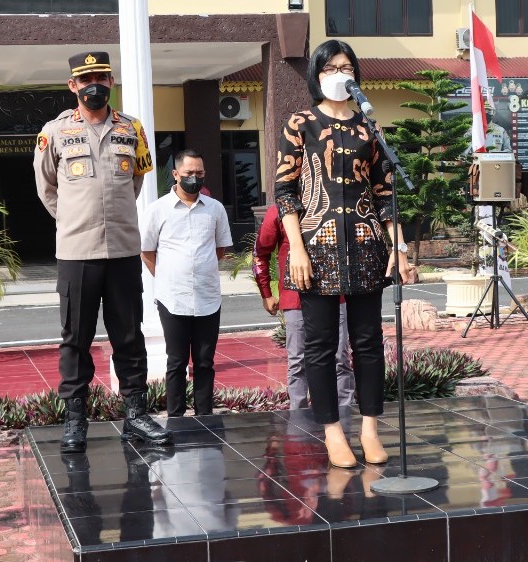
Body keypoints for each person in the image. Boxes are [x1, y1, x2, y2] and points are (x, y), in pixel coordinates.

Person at [274, 39, 417, 469]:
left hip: (365, 243)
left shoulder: (368, 126)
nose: (340, 74)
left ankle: (370, 430)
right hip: (316, 246)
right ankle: (333, 433)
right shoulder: (300, 123)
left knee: (368, 341)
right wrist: (296, 249)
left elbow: (384, 192)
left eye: (347, 67)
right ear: (317, 75)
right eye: (331, 68)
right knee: (320, 345)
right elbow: (284, 191)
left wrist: (399, 247)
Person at [33, 50, 170, 453]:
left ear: (111, 81)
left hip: (123, 249)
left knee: (129, 335)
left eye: (101, 78)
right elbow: (46, 188)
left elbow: (136, 182)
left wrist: (113, 217)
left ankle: (136, 415)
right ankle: (75, 420)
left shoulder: (132, 128)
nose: (94, 85)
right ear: (72, 85)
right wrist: (75, 219)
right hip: (77, 251)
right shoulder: (54, 132)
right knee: (75, 338)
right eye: (85, 79)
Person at [140, 149, 232, 417]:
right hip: (172, 298)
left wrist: (199, 269)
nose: (194, 177)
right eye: (189, 173)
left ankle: (204, 416)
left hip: (207, 298)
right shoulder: (157, 209)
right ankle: (176, 418)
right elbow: (147, 251)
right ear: (176, 174)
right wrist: (169, 276)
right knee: (176, 361)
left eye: (199, 173)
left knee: (205, 361)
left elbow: (219, 249)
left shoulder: (215, 209)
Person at [253, 204, 356, 410]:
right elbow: (260, 252)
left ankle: (345, 413)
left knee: (340, 359)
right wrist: (266, 292)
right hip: (296, 299)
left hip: (336, 295)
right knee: (298, 362)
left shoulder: (334, 203)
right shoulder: (279, 209)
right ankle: (298, 417)